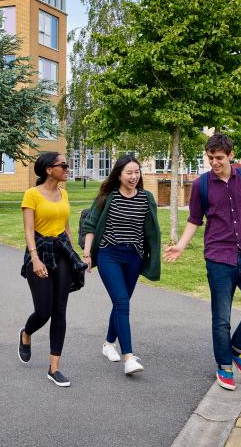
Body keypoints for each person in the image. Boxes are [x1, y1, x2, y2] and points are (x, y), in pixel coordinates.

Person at [164, 134, 241, 391]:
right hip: (218, 258)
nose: (214, 163)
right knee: (221, 318)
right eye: (210, 158)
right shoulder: (202, 185)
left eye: (219, 158)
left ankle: (238, 347)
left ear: (231, 155)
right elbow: (195, 219)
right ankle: (224, 365)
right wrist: (181, 245)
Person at [82, 155, 161, 375]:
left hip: (133, 257)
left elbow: (152, 231)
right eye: (129, 172)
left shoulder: (146, 198)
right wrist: (87, 253)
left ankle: (108, 344)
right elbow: (91, 224)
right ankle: (128, 357)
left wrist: (154, 253)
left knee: (121, 303)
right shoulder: (108, 196)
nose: (134, 176)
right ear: (118, 174)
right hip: (110, 255)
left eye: (137, 172)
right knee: (122, 301)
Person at [17, 152, 88, 387]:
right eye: (64, 165)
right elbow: (28, 230)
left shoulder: (64, 193)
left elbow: (66, 228)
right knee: (43, 311)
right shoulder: (32, 194)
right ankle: (26, 333)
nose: (68, 169)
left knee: (59, 310)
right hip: (39, 252)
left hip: (62, 254)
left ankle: (54, 368)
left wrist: (77, 257)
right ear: (49, 169)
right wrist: (35, 260)